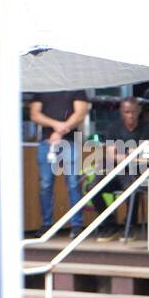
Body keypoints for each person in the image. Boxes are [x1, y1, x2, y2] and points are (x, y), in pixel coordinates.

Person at [28, 89, 90, 237]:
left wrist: (59, 132)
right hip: (46, 142)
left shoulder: (76, 87)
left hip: (70, 142)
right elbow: (34, 114)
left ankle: (77, 225)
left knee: (73, 182)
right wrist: (57, 125)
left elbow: (80, 114)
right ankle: (47, 224)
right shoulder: (44, 86)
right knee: (45, 184)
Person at [98, 96, 149, 241]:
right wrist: (130, 154)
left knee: (133, 188)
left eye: (133, 112)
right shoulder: (113, 127)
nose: (130, 115)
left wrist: (131, 155)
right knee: (93, 187)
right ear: (121, 112)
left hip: (138, 171)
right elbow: (110, 155)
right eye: (127, 112)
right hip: (115, 171)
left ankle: (129, 226)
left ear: (139, 111)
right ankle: (109, 225)